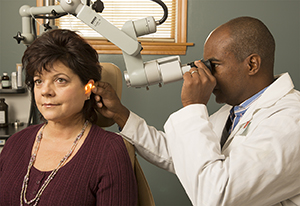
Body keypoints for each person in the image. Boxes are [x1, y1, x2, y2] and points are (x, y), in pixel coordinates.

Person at [92, 16, 300, 205]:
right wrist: (120, 114)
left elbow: (216, 196)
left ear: (252, 64)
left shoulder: (291, 122)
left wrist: (193, 105)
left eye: (214, 64)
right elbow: (186, 156)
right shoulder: (236, 111)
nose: (205, 73)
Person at [0, 29, 137, 206]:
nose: (45, 91)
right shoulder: (15, 143)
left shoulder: (110, 152)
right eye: (38, 81)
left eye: (60, 80)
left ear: (88, 89)